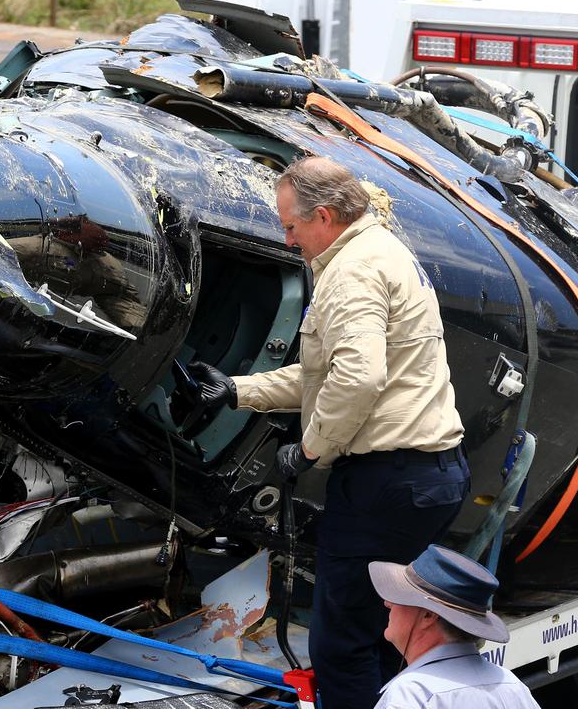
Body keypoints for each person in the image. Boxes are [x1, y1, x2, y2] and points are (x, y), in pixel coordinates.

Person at [188, 156, 468, 708]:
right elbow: (328, 374)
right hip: (429, 477)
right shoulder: (379, 250)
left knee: (341, 643)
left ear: (323, 216)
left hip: (385, 483)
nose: (287, 241)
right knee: (392, 633)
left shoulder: (352, 272)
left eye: (290, 227)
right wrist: (239, 391)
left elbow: (358, 378)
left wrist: (311, 448)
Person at [369, 545, 539, 708]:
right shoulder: (511, 685)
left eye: (400, 595)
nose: (388, 603)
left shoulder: (410, 695)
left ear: (428, 615)